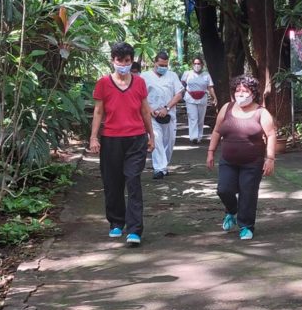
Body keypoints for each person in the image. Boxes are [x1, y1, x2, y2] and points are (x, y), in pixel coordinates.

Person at [89, 42, 155, 246]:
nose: (123, 64)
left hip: (136, 139)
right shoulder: (103, 83)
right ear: (113, 61)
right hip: (111, 139)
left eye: (127, 61)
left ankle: (135, 230)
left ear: (131, 61)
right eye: (120, 60)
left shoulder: (140, 83)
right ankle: (116, 222)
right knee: (112, 182)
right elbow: (99, 111)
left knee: (133, 180)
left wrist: (151, 135)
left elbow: (145, 110)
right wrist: (93, 137)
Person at [206, 75, 276, 240]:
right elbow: (217, 130)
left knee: (248, 193)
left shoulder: (261, 112)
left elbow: (271, 135)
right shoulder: (227, 108)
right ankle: (231, 210)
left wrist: (270, 158)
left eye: (245, 90)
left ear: (253, 93)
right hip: (228, 160)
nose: (241, 94)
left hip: (252, 162)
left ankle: (246, 225)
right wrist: (210, 152)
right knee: (224, 189)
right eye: (238, 90)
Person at [141, 51, 184, 179]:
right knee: (157, 139)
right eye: (161, 64)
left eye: (165, 65)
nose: (163, 67)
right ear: (154, 63)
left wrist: (167, 108)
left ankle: (164, 166)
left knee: (169, 142)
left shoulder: (172, 76)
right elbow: (141, 97)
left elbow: (179, 94)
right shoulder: (144, 77)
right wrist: (150, 110)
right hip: (152, 116)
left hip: (169, 115)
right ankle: (159, 168)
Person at [180, 56, 218, 144]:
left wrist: (214, 97)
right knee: (193, 117)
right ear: (192, 64)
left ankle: (199, 137)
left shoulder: (206, 75)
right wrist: (180, 94)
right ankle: (193, 137)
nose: (197, 65)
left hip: (202, 98)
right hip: (190, 97)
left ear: (202, 64)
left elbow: (210, 87)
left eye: (199, 63)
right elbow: (181, 84)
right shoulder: (187, 73)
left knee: (200, 119)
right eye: (195, 63)